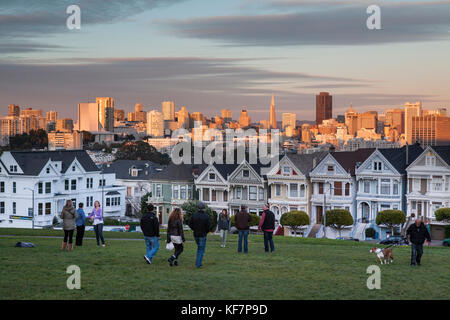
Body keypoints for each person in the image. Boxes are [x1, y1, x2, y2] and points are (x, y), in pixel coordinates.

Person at [188, 202, 210, 268]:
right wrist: (206, 231)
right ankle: (198, 263)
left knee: (199, 248)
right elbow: (208, 227)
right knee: (201, 249)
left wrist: (194, 229)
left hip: (196, 234)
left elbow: (190, 224)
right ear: (204, 208)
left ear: (197, 208)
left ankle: (198, 262)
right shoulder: (206, 216)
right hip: (203, 234)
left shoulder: (194, 215)